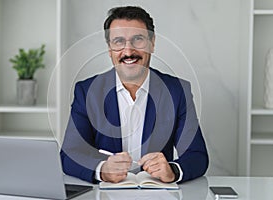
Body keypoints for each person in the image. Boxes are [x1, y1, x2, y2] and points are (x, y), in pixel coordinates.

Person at [60, 6, 208, 184]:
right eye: (118, 41)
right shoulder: (86, 91)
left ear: (152, 43)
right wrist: (101, 170)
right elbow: (70, 154)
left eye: (137, 40)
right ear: (109, 48)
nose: (128, 51)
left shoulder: (177, 91)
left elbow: (197, 155)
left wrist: (173, 170)